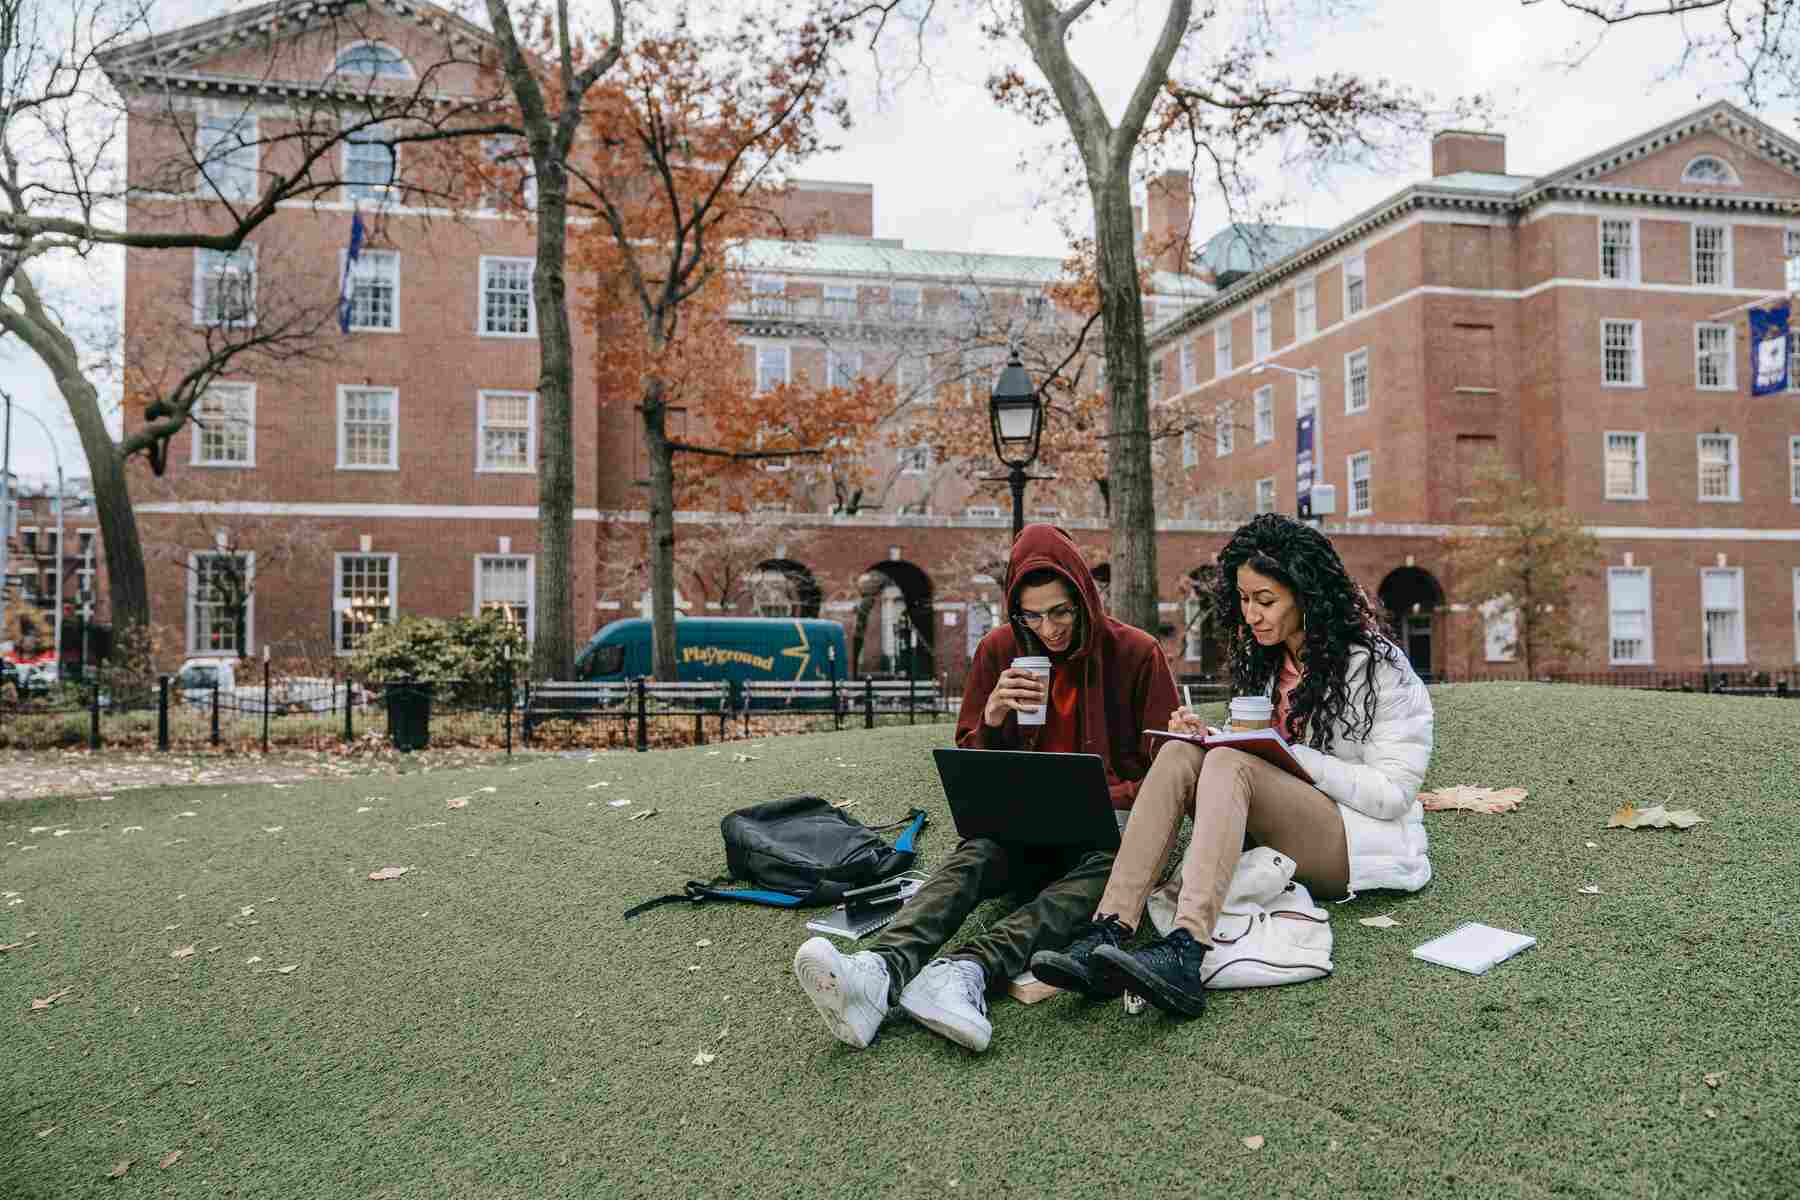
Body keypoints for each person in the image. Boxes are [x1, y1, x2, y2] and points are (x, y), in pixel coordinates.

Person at [792, 523, 1178, 1052]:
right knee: (975, 852)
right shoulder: (999, 650)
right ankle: (877, 971)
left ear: (1086, 597)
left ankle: (965, 970)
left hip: (1106, 837)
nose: (1050, 629)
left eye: (1063, 611)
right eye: (1033, 615)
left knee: (1113, 870)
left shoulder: (1137, 653)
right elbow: (972, 768)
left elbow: (1167, 774)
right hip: (1024, 832)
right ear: (1014, 610)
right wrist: (993, 716)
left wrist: (1110, 796)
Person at [1031, 513, 1434, 1017]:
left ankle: (1186, 947)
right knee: (1182, 753)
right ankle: (1108, 928)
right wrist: (1209, 735)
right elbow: (1258, 757)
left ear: (1307, 594)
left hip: (1352, 839)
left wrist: (1284, 755)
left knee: (1229, 766)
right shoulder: (1266, 662)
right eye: (1244, 600)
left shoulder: (1378, 666)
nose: (1252, 615)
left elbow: (1393, 792)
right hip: (1276, 823)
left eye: (1266, 601)